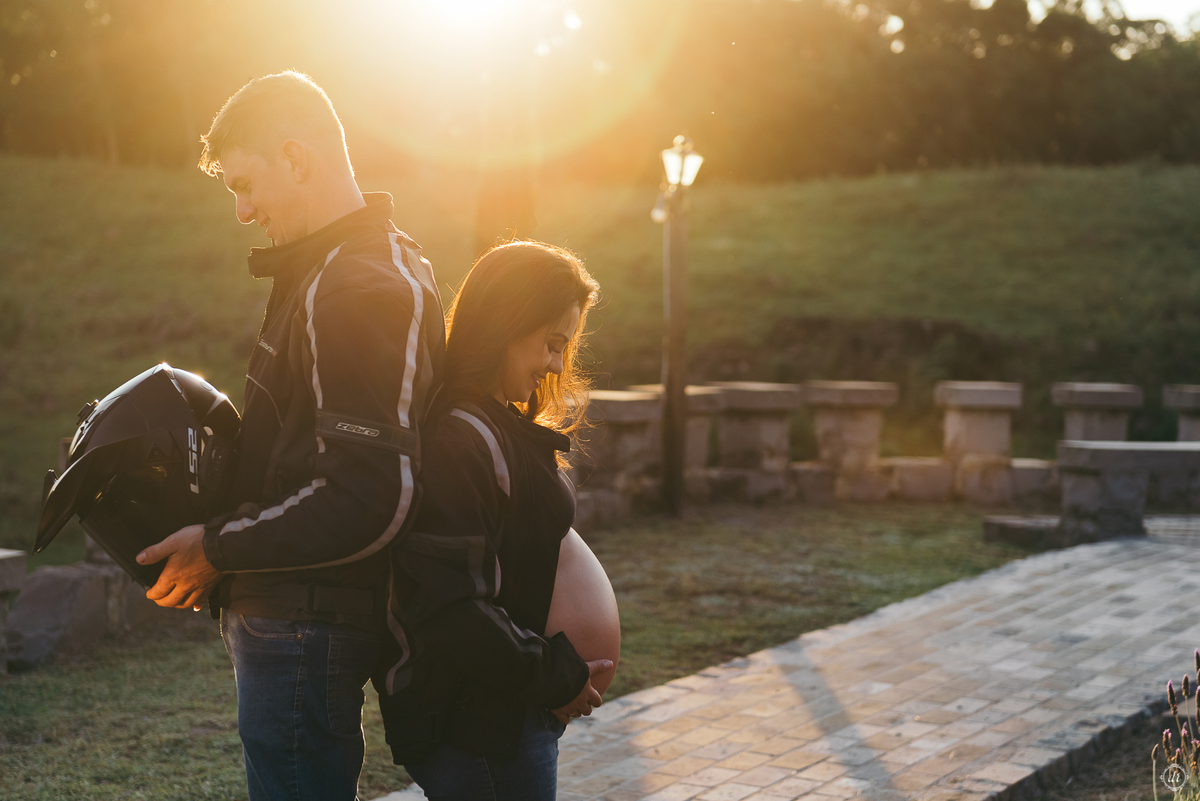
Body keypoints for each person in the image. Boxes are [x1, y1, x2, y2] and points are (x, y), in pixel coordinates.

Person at [134, 71, 445, 801]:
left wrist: (217, 546)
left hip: (308, 617)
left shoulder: (358, 282)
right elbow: (307, 449)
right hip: (296, 611)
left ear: (296, 159)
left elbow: (369, 492)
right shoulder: (329, 268)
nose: (242, 212)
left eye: (246, 183)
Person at [378, 241, 621, 801]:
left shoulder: (488, 425)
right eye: (552, 343)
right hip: (480, 724)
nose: (558, 364)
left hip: (506, 714)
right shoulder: (456, 440)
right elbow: (450, 609)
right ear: (507, 323)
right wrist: (554, 677)